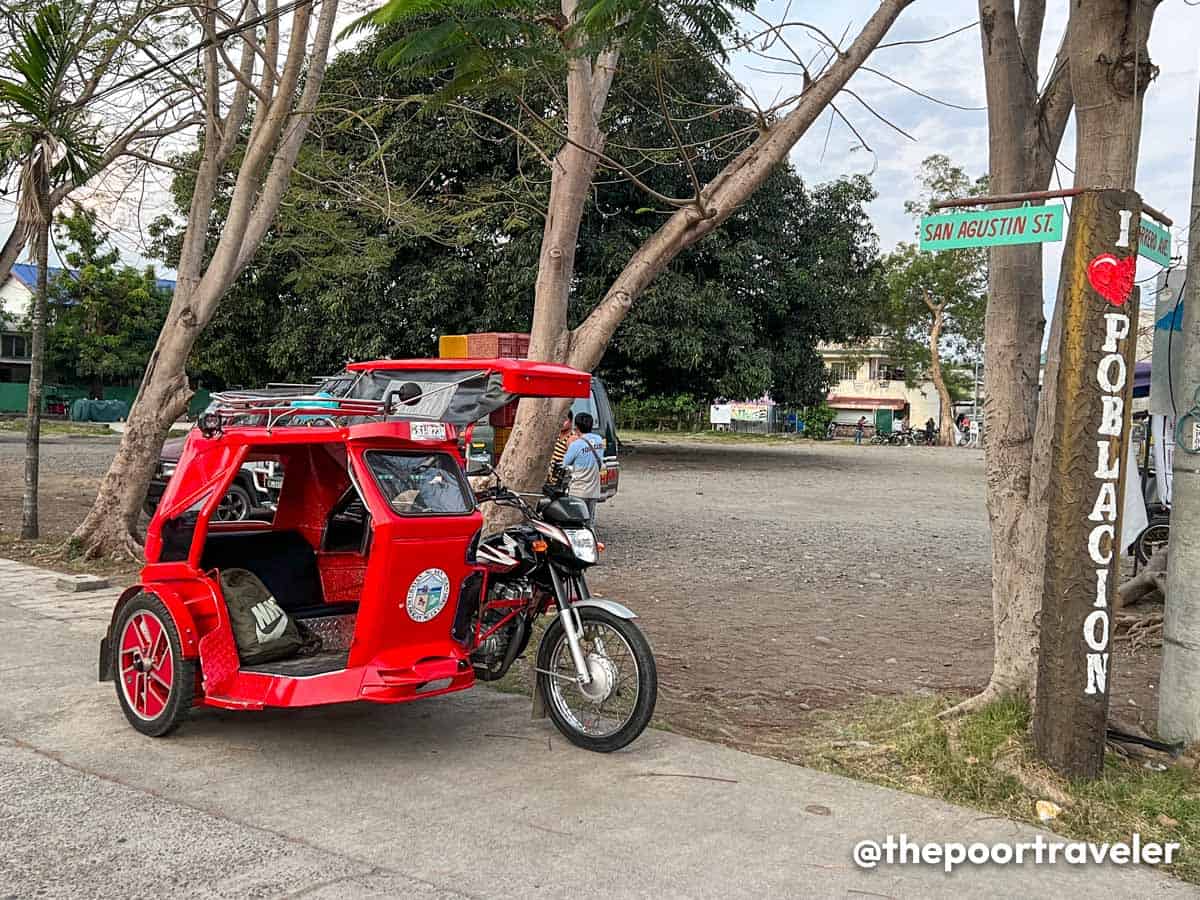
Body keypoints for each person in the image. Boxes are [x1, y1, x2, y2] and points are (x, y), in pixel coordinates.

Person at [563, 411, 604, 524]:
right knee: (589, 521)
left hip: (578, 491)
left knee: (576, 522)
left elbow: (565, 463)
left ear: (576, 427)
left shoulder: (576, 444)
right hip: (594, 490)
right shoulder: (599, 440)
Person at [549, 411, 574, 477]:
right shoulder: (556, 434)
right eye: (560, 419)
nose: (562, 422)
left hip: (561, 479)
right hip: (550, 477)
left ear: (571, 421)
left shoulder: (572, 438)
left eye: (565, 420)